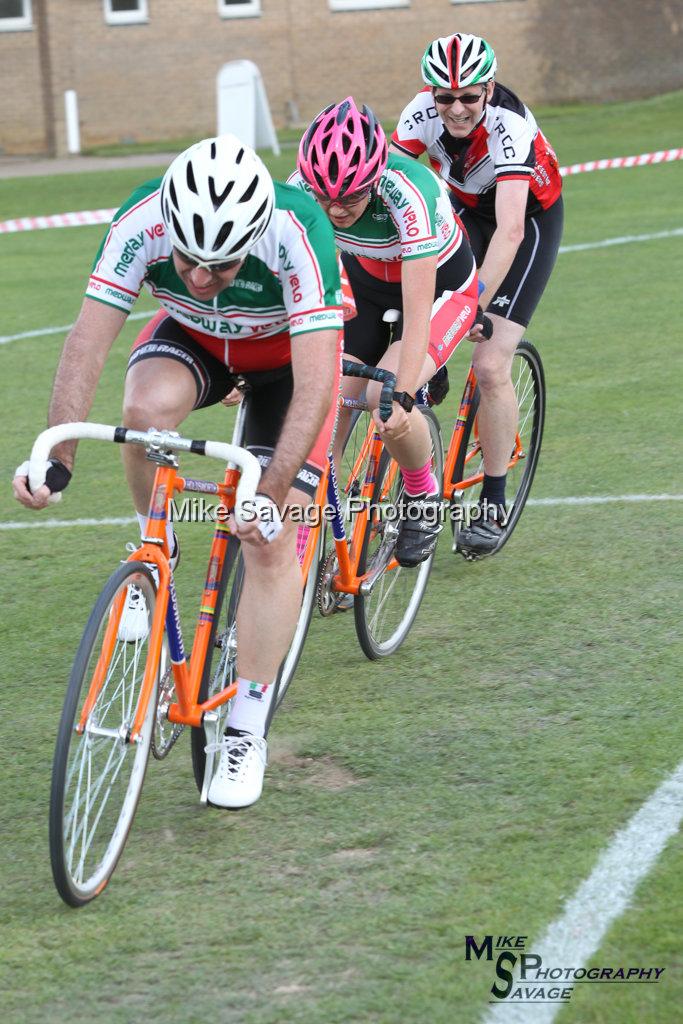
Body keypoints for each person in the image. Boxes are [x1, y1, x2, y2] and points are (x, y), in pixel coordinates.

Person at [12, 134, 343, 810]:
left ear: (252, 238)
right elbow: (87, 339)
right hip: (194, 340)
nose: (197, 276)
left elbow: (316, 384)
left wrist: (272, 494)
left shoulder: (297, 231)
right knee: (142, 410)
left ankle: (247, 724)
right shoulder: (140, 221)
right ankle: (153, 546)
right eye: (187, 257)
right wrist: (56, 455)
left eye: (219, 267)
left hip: (285, 366)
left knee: (271, 539)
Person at [290, 97, 483, 568]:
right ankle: (296, 559)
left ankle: (422, 496)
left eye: (352, 197)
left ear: (376, 177)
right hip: (369, 289)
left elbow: (417, 313)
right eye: (324, 197)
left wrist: (404, 385)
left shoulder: (410, 193)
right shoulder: (298, 191)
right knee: (319, 418)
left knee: (385, 402)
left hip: (440, 290)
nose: (335, 210)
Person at [391, 32, 564, 554]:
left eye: (470, 96)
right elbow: (387, 180)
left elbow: (509, 230)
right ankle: (429, 379)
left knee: (490, 365)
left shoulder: (509, 124)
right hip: (466, 212)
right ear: (431, 95)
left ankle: (493, 499)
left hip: (528, 220)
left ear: (488, 88)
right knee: (407, 307)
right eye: (446, 97)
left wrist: (473, 306)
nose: (458, 108)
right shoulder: (418, 113)